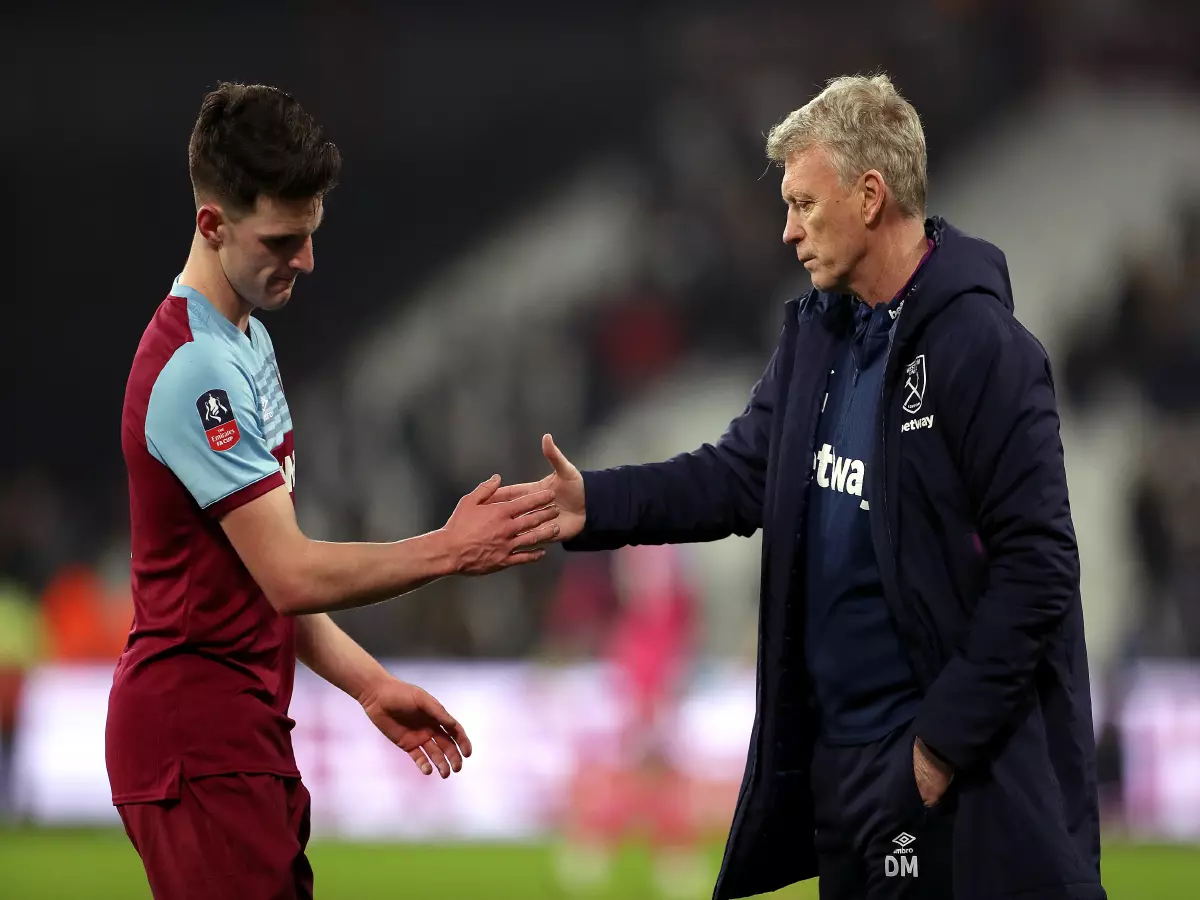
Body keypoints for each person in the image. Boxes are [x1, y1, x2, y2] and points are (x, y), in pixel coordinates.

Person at [495, 74, 1105, 900]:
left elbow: (1037, 570)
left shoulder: (983, 350)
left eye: (803, 203)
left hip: (946, 774)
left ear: (869, 194)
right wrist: (595, 504)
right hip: (841, 770)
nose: (786, 231)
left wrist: (937, 750)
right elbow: (742, 475)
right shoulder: (821, 335)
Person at [106, 82, 560, 900]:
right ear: (213, 224)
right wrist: (450, 549)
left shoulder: (245, 342)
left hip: (242, 727)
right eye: (284, 239)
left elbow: (267, 576)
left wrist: (367, 682)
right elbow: (291, 572)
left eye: (311, 235)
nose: (306, 261)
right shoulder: (194, 372)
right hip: (194, 732)